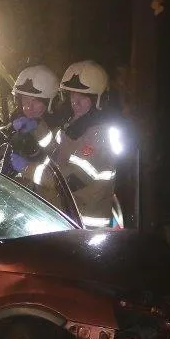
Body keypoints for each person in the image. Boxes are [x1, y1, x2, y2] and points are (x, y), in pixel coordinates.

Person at [54, 60, 126, 229]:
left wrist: (30, 170)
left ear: (98, 100)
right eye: (73, 95)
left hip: (87, 221)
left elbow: (76, 177)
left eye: (83, 97)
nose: (75, 102)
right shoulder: (71, 125)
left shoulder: (100, 132)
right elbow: (55, 157)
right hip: (69, 213)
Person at [0, 65, 61, 182]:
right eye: (25, 99)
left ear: (51, 102)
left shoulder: (60, 132)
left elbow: (57, 169)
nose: (28, 106)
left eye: (36, 101)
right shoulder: (19, 120)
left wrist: (28, 165)